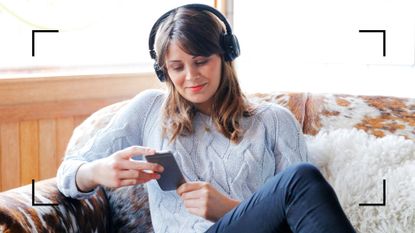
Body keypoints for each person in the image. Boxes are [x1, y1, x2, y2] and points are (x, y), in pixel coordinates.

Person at [57, 4, 356, 233]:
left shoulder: (274, 121)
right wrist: (97, 171)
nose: (191, 77)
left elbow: (301, 221)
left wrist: (227, 209)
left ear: (226, 55)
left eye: (201, 62)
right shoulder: (149, 110)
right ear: (164, 72)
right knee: (299, 179)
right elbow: (68, 172)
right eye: (177, 67)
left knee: (300, 179)